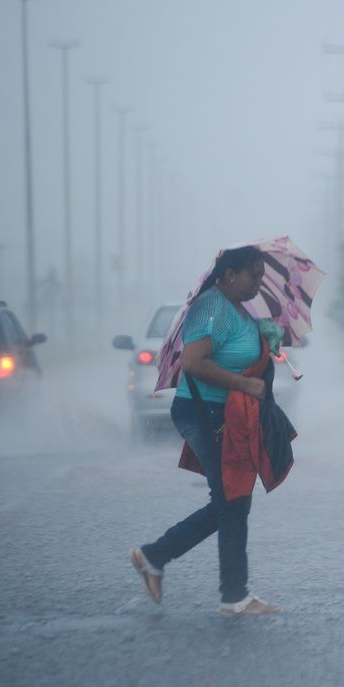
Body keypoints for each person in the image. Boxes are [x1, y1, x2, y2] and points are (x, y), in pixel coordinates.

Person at [129, 246, 280, 615]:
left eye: (262, 276)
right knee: (232, 500)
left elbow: (236, 354)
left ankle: (156, 557)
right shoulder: (211, 307)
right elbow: (195, 363)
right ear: (229, 274)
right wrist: (245, 386)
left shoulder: (236, 308)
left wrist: (265, 338)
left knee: (232, 500)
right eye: (254, 275)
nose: (259, 284)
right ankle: (232, 595)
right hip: (205, 413)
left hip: (224, 413)